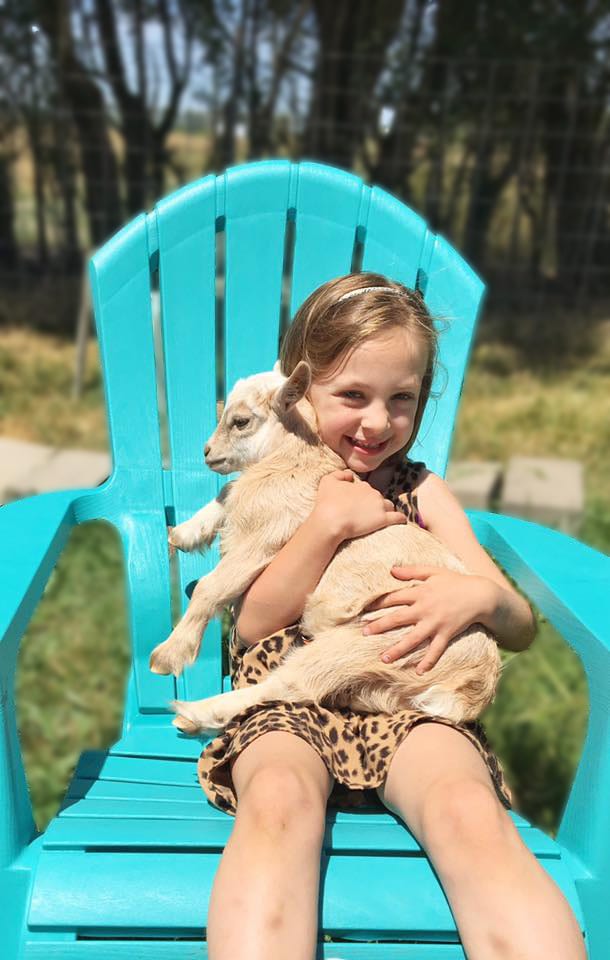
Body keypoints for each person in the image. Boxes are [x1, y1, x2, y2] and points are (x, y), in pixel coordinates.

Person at [198, 273, 586, 960]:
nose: (378, 422)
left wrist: (478, 598)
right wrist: (325, 525)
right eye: (353, 396)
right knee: (280, 799)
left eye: (401, 399)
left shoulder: (421, 492)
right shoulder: (275, 482)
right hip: (285, 695)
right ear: (298, 393)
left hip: (407, 698)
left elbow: (520, 626)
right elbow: (255, 626)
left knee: (468, 810)